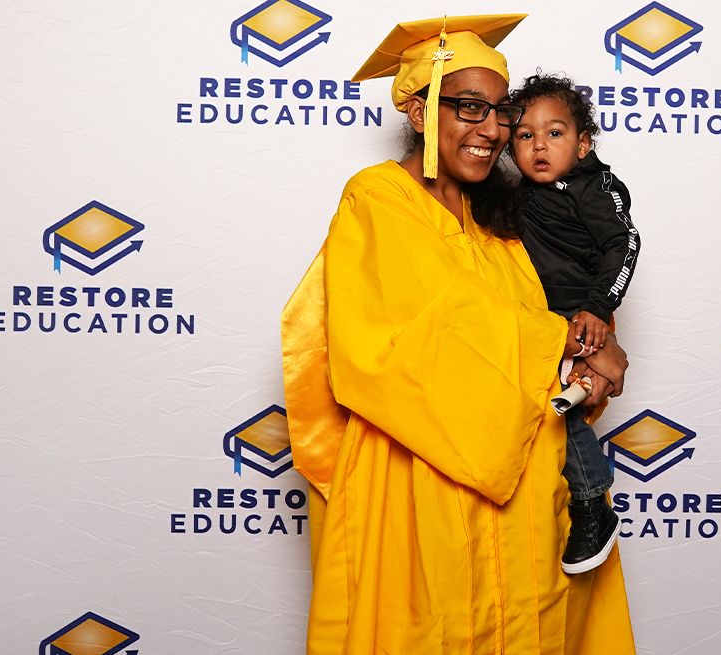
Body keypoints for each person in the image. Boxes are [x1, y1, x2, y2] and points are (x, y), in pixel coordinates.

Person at [280, 14, 636, 655]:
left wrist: (588, 351)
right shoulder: (379, 199)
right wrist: (562, 340)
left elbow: (547, 325)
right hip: (420, 483)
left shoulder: (502, 221)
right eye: (469, 107)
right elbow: (417, 331)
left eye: (501, 111)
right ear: (419, 113)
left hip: (528, 488)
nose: (492, 130)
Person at [509, 74, 642, 576]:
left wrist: (598, 310)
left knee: (558, 416)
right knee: (544, 410)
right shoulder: (519, 193)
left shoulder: (593, 188)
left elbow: (623, 244)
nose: (540, 144)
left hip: (578, 321)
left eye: (556, 133)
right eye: (525, 135)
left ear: (583, 143)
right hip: (536, 323)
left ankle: (592, 503)